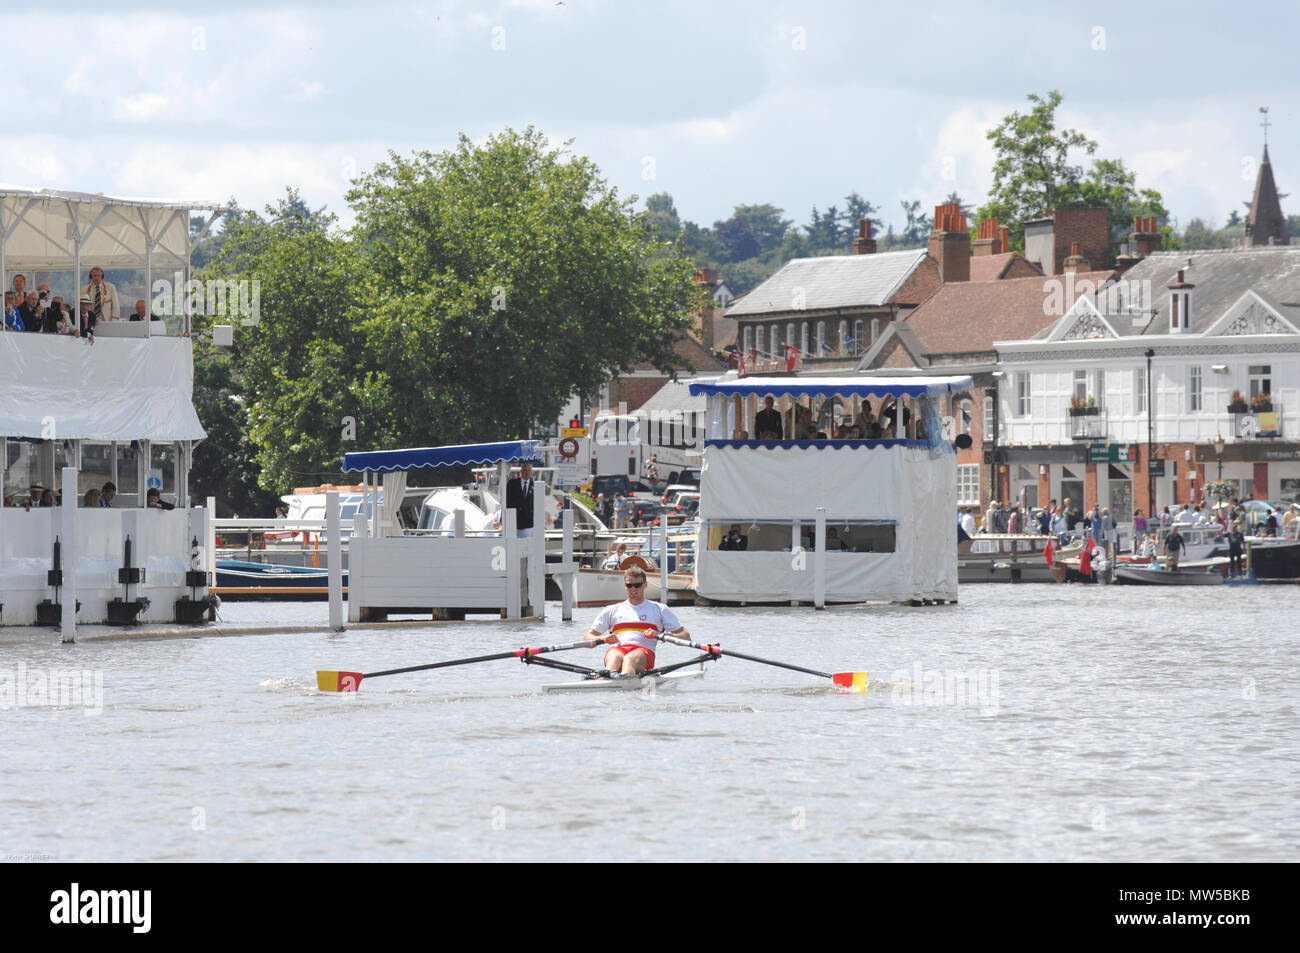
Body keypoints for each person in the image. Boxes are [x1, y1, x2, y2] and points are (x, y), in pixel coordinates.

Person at [584, 566, 691, 677]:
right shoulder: (612, 610)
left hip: (644, 652)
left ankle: (624, 682)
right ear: (625, 586)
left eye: (637, 585)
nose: (633, 589)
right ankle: (606, 680)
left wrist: (660, 635)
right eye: (629, 585)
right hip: (618, 649)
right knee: (614, 657)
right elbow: (588, 637)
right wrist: (602, 638)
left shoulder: (659, 609)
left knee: (629, 659)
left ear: (645, 585)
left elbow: (685, 636)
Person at [504, 462, 540, 537]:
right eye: (525, 470)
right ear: (521, 472)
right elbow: (506, 501)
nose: (527, 472)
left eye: (529, 471)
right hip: (514, 522)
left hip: (529, 524)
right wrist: (503, 519)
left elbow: (538, 506)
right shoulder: (512, 484)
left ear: (531, 472)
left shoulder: (536, 485)